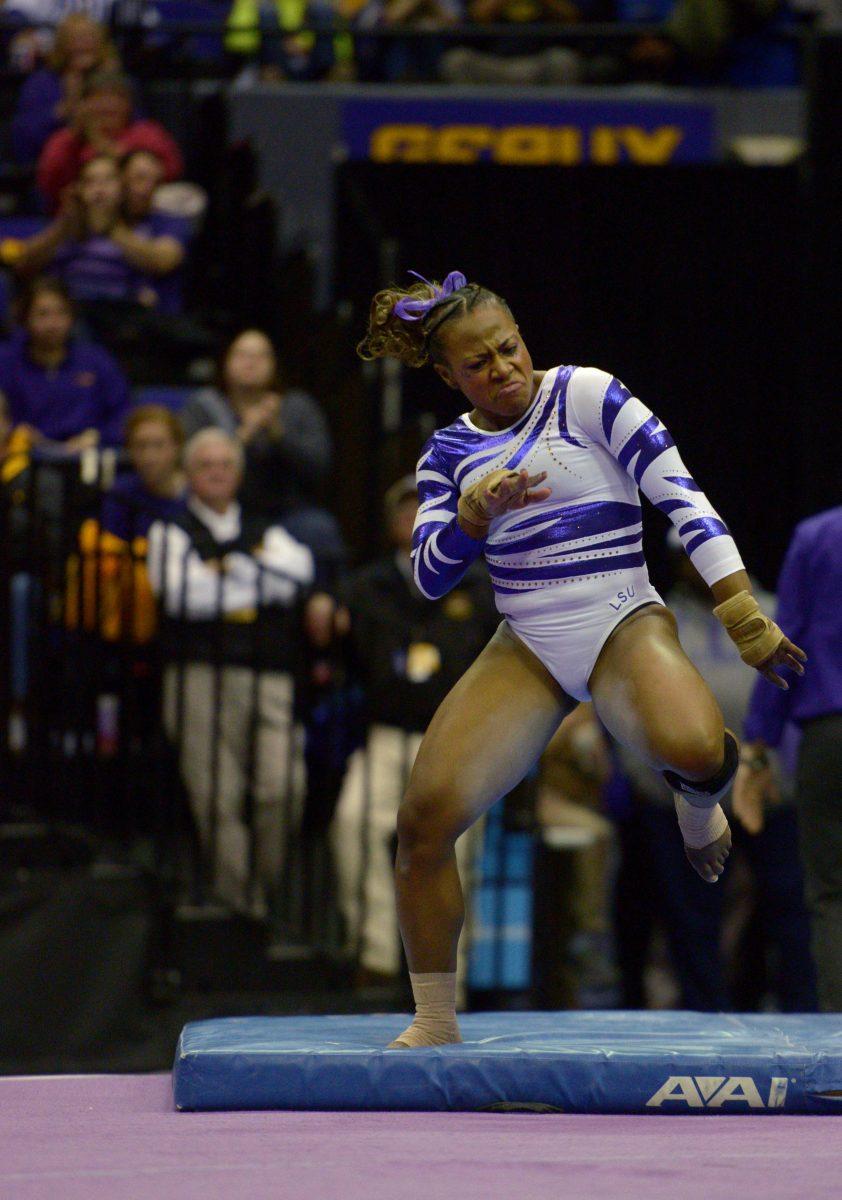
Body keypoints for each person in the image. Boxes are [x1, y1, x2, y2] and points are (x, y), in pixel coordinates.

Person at [357, 270, 806, 1047]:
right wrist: (469, 518)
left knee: (699, 751)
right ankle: (434, 1018)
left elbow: (683, 498)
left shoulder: (588, 395)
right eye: (480, 364)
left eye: (510, 346)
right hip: (525, 646)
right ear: (446, 374)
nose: (504, 369)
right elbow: (429, 576)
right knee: (422, 825)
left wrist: (742, 615)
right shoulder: (449, 453)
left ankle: (697, 802)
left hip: (620, 619)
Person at [610, 529, 816, 1011]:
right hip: (682, 795)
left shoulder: (773, 611)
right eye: (687, 558)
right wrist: (652, 782)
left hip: (769, 791)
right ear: (675, 564)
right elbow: (630, 703)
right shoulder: (658, 623)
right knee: (691, 915)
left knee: (788, 908)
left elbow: (806, 694)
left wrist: (789, 775)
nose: (699, 568)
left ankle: (802, 1014)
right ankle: (705, 1015)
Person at [329, 474, 497, 994]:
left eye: (425, 507)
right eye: (404, 509)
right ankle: (381, 956)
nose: (414, 516)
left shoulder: (480, 583)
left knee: (459, 852)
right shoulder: (367, 586)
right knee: (352, 825)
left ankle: (456, 979)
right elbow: (346, 656)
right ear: (391, 524)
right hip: (387, 734)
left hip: (458, 743)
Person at [147, 428, 316, 917]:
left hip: (269, 672)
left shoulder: (269, 528)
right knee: (214, 797)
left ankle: (260, 895)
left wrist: (226, 575)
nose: (217, 471)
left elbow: (299, 575)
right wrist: (258, 579)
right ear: (188, 474)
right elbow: (182, 596)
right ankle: (246, 910)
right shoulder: (169, 529)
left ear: (238, 474)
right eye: (206, 464)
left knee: (282, 788)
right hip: (197, 674)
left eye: (226, 463)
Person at [736, 506, 842, 1011]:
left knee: (832, 894)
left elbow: (783, 641)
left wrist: (758, 749)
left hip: (831, 738)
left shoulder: (818, 536)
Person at [180, 329, 344, 580]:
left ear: (274, 365)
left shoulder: (297, 407)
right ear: (225, 363)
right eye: (242, 354)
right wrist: (246, 432)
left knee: (320, 529)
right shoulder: (204, 408)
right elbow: (188, 466)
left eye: (261, 356)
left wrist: (279, 435)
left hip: (287, 512)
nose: (251, 362)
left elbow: (320, 467)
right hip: (225, 514)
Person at [0, 275, 129, 449]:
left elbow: (123, 414)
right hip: (24, 458)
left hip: (87, 457)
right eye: (42, 314)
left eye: (61, 313)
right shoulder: (6, 361)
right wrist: (14, 431)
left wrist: (98, 436)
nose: (53, 323)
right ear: (25, 318)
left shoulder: (96, 360)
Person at [37, 68, 183, 212]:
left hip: (139, 217)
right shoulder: (65, 139)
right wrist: (76, 137)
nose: (108, 105)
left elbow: (171, 171)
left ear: (129, 105)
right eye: (99, 98)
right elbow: (49, 184)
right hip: (79, 221)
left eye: (117, 98)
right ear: (84, 105)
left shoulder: (147, 133)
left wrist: (99, 142)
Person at [11, 11, 118, 165]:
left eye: (90, 37)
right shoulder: (41, 83)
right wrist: (64, 110)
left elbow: (139, 128)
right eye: (76, 38)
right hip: (58, 168)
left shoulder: (119, 82)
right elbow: (24, 141)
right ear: (61, 45)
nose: (83, 44)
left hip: (113, 166)